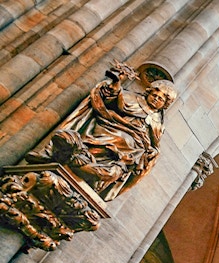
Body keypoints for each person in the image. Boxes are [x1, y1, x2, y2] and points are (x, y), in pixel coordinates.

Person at [27, 61, 177, 201]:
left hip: (136, 146)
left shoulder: (158, 122)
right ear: (148, 93)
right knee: (122, 139)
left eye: (161, 99)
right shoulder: (133, 98)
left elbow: (154, 143)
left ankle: (95, 176)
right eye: (154, 95)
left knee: (133, 150)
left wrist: (153, 151)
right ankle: (75, 157)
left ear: (165, 104)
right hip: (112, 126)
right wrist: (116, 84)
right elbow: (111, 100)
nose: (156, 99)